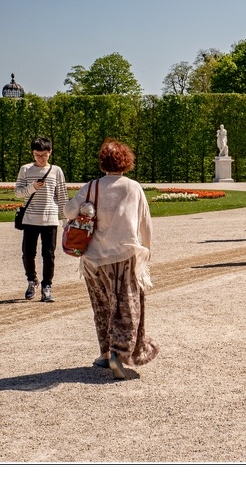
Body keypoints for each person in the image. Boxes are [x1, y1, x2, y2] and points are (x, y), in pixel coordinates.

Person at [64, 139, 158, 379]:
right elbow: (145, 222)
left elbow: (67, 211)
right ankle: (119, 353)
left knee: (102, 306)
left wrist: (85, 207)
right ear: (126, 161)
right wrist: (146, 251)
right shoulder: (132, 187)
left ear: (103, 162)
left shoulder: (92, 186)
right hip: (123, 255)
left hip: (93, 259)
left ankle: (105, 354)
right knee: (126, 306)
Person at [14, 137, 68, 302]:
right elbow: (18, 193)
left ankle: (47, 286)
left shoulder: (56, 170)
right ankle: (32, 280)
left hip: (50, 219)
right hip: (30, 219)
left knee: (49, 255)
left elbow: (62, 196)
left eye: (44, 155)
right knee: (28, 254)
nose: (40, 158)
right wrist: (32, 188)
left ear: (50, 152)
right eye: (37, 155)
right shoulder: (26, 169)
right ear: (33, 153)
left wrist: (66, 220)